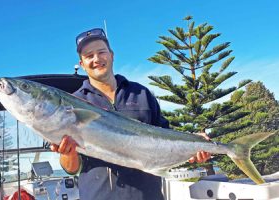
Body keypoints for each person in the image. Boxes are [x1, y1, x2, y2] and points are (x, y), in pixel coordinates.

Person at [51, 28, 211, 200]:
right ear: (82, 64)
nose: (96, 59)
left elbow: (166, 137)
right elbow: (72, 169)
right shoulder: (72, 105)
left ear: (112, 55)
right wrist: (67, 154)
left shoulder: (141, 93)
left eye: (101, 52)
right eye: (89, 56)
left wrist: (193, 145)